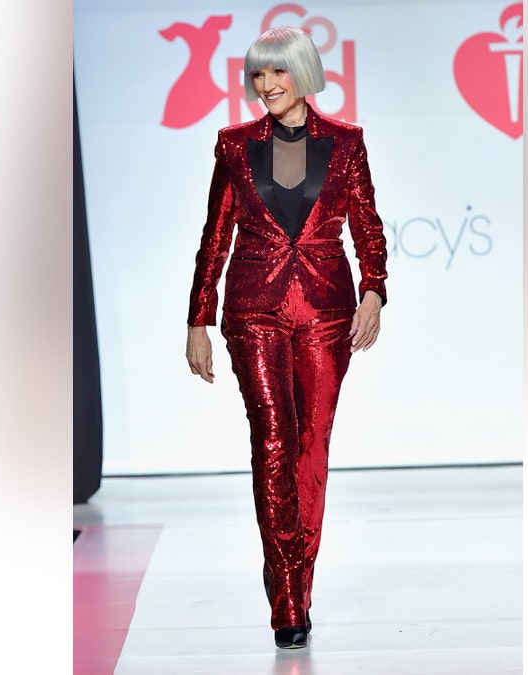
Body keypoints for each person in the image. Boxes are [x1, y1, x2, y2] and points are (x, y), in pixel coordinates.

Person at [185, 26, 389, 650]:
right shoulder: (233, 145)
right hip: (254, 311)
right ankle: (289, 599)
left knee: (312, 450)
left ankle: (298, 573)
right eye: (256, 76)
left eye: (276, 74)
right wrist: (198, 318)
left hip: (328, 314)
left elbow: (368, 227)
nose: (265, 86)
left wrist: (374, 291)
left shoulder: (347, 144)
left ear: (303, 74)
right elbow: (215, 236)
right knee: (273, 439)